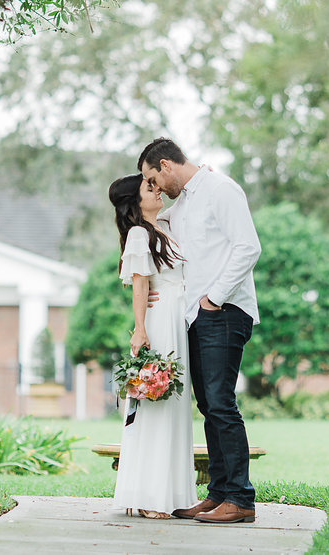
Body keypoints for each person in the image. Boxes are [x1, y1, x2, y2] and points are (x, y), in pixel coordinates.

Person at [139, 137, 261, 524]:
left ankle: (240, 499)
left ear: (166, 165)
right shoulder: (184, 204)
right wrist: (151, 291)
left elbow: (248, 247)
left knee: (222, 403)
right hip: (195, 316)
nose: (155, 187)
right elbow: (151, 231)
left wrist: (215, 298)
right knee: (208, 405)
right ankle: (219, 493)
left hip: (224, 311)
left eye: (152, 178)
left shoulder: (221, 190)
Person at [108, 173, 197, 519]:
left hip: (178, 319)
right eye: (150, 187)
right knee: (155, 405)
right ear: (135, 199)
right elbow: (141, 283)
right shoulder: (138, 234)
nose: (158, 190)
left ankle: (170, 493)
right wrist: (140, 329)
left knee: (174, 407)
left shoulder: (163, 226)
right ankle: (147, 496)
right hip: (159, 324)